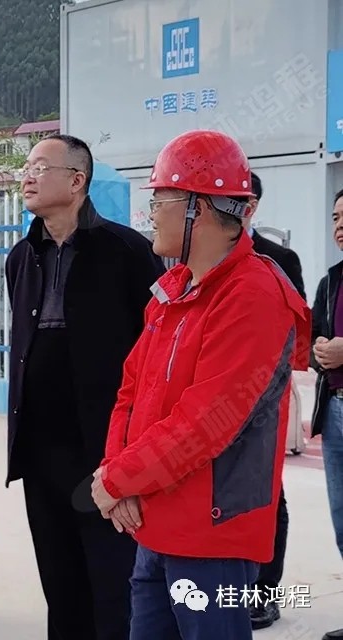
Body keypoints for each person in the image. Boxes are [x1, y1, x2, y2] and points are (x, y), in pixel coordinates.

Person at [93, 129, 310, 640]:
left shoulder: (254, 295)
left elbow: (205, 423)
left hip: (212, 535)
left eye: (160, 200)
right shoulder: (173, 290)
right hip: (154, 519)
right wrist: (116, 476)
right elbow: (130, 392)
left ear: (200, 208)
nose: (151, 213)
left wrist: (119, 480)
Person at [4, 134, 164, 640]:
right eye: (26, 167)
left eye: (39, 167)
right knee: (59, 579)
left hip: (103, 450)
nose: (27, 176)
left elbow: (154, 350)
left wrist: (135, 451)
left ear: (76, 181)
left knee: (112, 582)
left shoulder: (128, 251)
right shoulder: (21, 256)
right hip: (39, 448)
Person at [243, 170, 305, 631]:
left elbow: (295, 328)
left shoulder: (279, 259)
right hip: (205, 399)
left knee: (268, 493)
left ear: (251, 206)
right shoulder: (185, 260)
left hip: (260, 398)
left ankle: (265, 591)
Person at [310, 187, 343, 640]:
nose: (340, 225)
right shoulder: (331, 280)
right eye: (335, 217)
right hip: (334, 412)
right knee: (342, 521)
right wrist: (319, 351)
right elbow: (315, 338)